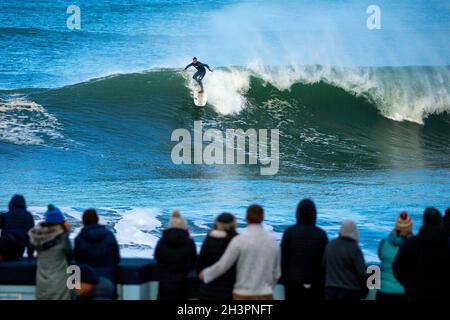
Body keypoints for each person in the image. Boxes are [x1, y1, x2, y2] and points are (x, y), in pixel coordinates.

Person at [200, 204, 281, 300]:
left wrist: (206, 274)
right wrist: (269, 288)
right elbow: (277, 273)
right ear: (263, 217)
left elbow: (224, 265)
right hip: (265, 293)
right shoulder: (272, 241)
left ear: (246, 218)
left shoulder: (239, 240)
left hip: (242, 293)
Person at [393, 207, 450, 300]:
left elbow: (397, 268)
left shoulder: (411, 243)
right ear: (441, 221)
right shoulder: (447, 244)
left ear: (423, 221)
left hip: (417, 293)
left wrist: (410, 286)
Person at [280, 199, 328, 300]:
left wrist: (282, 279)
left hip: (292, 283)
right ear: (314, 214)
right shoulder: (321, 234)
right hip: (316, 283)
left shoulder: (289, 232)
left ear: (297, 213)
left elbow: (283, 259)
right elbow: (325, 262)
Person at [28, 205, 73, 300]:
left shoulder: (38, 237)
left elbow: (30, 250)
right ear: (60, 222)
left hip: (42, 282)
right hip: (60, 284)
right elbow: (70, 258)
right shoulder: (63, 238)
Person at [154, 210, 197, 300]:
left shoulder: (162, 241)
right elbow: (193, 260)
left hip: (165, 280)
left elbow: (157, 257)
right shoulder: (189, 242)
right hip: (182, 281)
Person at [323, 220, 368, 300]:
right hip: (350, 292)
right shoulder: (354, 248)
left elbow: (323, 267)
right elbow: (361, 273)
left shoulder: (330, 245)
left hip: (330, 291)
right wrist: (365, 291)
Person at [197, 213, 238, 300]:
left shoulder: (209, 240)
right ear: (233, 224)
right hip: (229, 290)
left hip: (207, 290)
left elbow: (199, 265)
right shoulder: (236, 241)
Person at [74, 209, 120, 285]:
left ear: (83, 221)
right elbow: (116, 258)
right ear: (97, 219)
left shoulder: (79, 238)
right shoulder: (109, 235)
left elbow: (77, 259)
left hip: (87, 280)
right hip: (108, 278)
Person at [377, 211, 413, 301]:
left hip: (383, 291)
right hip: (404, 292)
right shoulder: (413, 245)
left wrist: (392, 234)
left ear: (396, 227)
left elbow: (380, 257)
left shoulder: (384, 242)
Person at [0, 195, 35, 261]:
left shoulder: (4, 215)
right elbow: (31, 238)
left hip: (3, 246)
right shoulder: (29, 216)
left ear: (11, 204)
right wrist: (30, 255)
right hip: (19, 248)